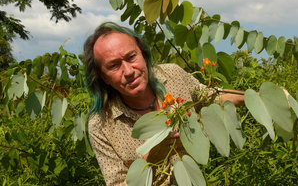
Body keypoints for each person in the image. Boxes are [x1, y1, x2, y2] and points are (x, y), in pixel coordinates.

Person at [83, 22, 245, 185]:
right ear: (104, 77)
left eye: (131, 57)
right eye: (114, 65)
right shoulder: (101, 125)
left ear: (143, 55)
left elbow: (210, 97)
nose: (129, 71)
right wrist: (151, 160)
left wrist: (254, 97)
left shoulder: (172, 75)